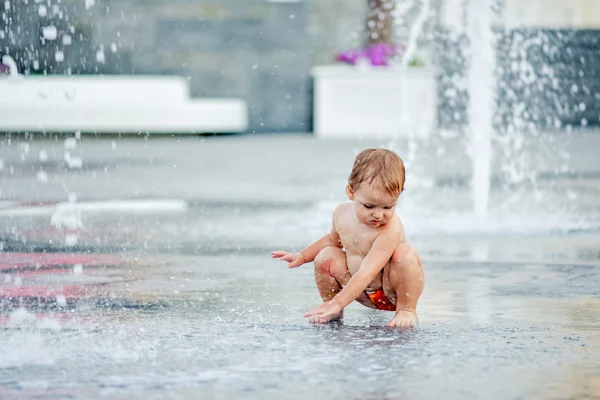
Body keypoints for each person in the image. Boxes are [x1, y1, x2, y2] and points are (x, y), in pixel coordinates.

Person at [272, 148, 424, 328]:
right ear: (351, 192)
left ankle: (407, 310)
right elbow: (331, 240)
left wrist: (339, 300)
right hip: (360, 292)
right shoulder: (341, 214)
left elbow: (368, 271)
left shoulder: (390, 229)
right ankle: (332, 309)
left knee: (404, 253)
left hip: (390, 292)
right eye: (369, 206)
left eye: (388, 207)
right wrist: (303, 256)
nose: (378, 215)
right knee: (326, 255)